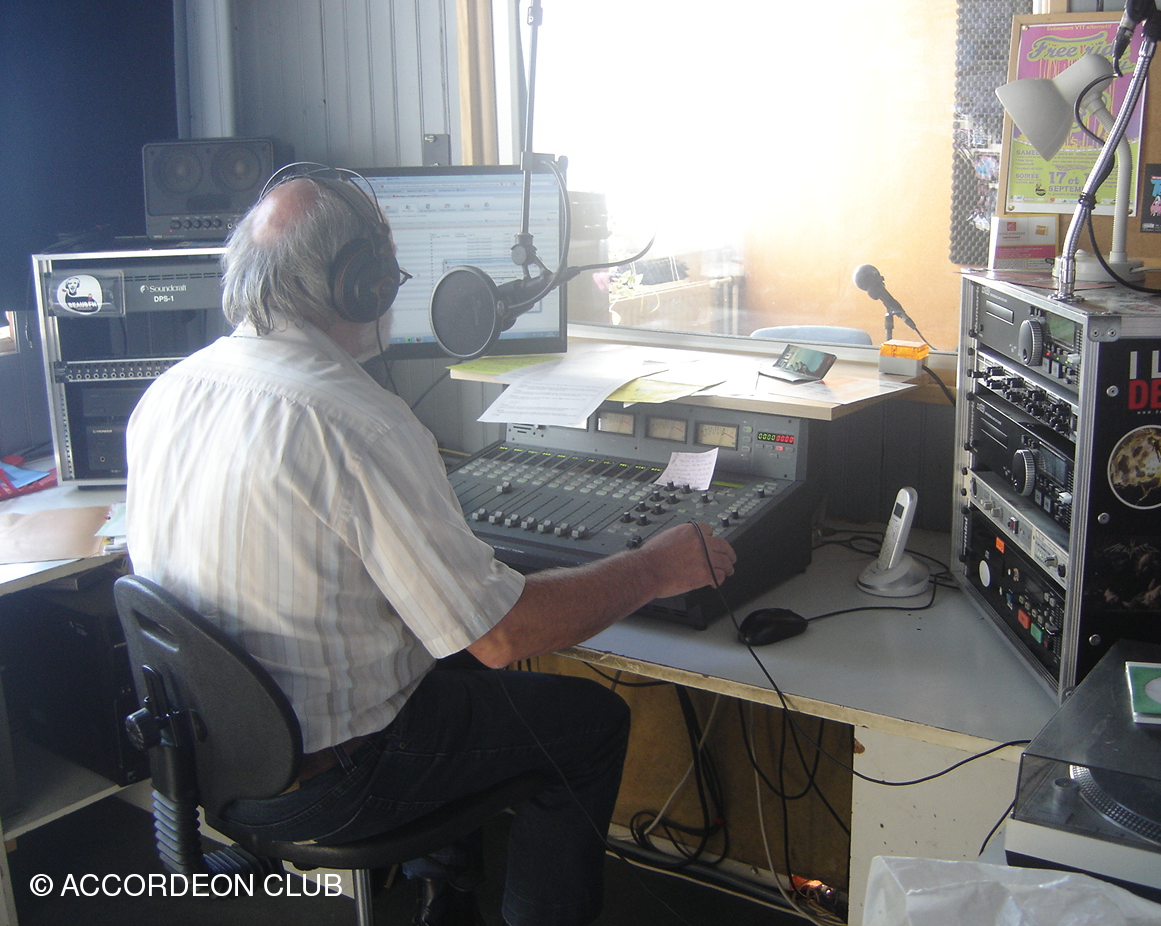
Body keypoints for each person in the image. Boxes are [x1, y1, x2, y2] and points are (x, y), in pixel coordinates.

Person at [124, 169, 737, 926]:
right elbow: (504, 636)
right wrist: (653, 567)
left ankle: (441, 896)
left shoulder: (169, 392)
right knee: (590, 724)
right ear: (363, 284)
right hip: (339, 779)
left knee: (444, 661)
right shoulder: (360, 424)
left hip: (217, 756)